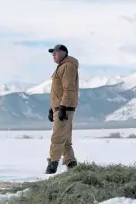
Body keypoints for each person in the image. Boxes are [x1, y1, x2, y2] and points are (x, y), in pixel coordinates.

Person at [45, 44, 79, 174]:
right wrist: (52, 108)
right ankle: (71, 164)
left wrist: (63, 107)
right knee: (64, 139)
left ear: (64, 53)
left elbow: (69, 89)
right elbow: (57, 91)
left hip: (64, 108)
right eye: (52, 53)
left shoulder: (67, 66)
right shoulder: (62, 67)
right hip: (60, 107)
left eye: (56, 52)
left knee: (57, 137)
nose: (53, 55)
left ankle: (52, 165)